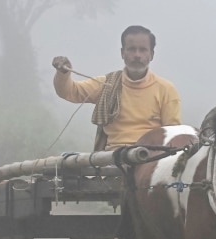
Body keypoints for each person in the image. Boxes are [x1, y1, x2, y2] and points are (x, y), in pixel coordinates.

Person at [52, 25, 182, 150]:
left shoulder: (166, 89)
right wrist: (63, 73)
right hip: (112, 160)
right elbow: (69, 92)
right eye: (131, 49)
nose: (137, 55)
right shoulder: (107, 84)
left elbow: (172, 134)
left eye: (143, 49)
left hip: (152, 159)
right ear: (122, 53)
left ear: (151, 54)